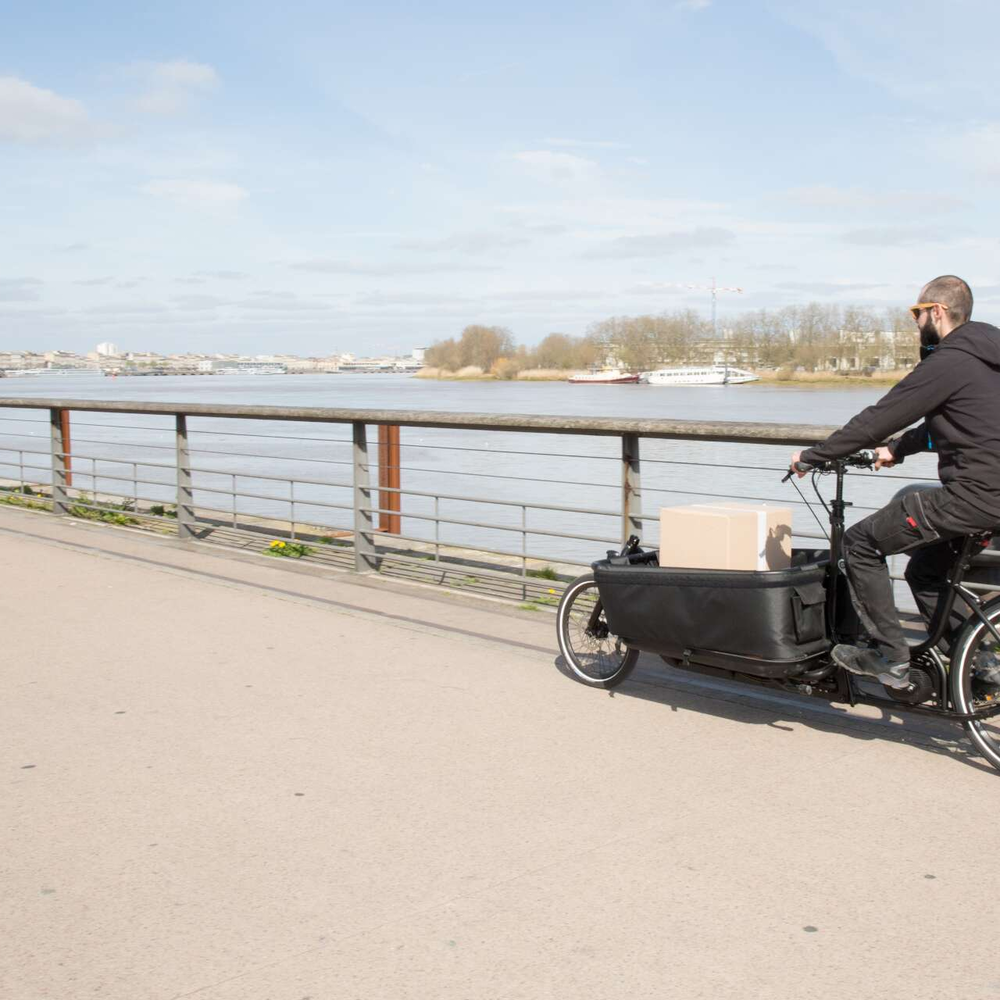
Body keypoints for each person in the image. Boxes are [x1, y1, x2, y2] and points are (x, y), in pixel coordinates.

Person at [790, 275, 1000, 689]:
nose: (914, 322)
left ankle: (890, 657)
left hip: (975, 497)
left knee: (860, 543)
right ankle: (978, 663)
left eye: (915, 313)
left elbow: (880, 417)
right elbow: (953, 423)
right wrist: (897, 450)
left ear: (936, 312)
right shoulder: (988, 361)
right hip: (992, 496)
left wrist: (813, 457)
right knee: (925, 570)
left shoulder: (949, 361)